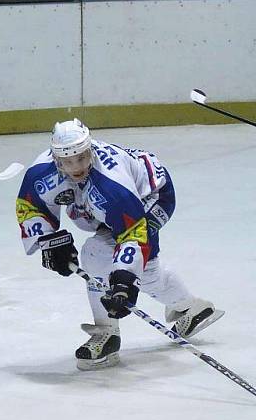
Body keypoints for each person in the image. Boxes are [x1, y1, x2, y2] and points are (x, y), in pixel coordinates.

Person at [15, 119, 223, 370]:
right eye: (68, 161)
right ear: (56, 159)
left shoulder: (113, 185)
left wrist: (124, 281)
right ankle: (192, 307)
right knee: (136, 270)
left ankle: (107, 335)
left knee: (106, 258)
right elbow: (29, 207)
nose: (76, 166)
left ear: (90, 150)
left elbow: (133, 234)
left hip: (151, 197)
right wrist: (48, 241)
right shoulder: (42, 172)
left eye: (81, 158)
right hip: (109, 209)